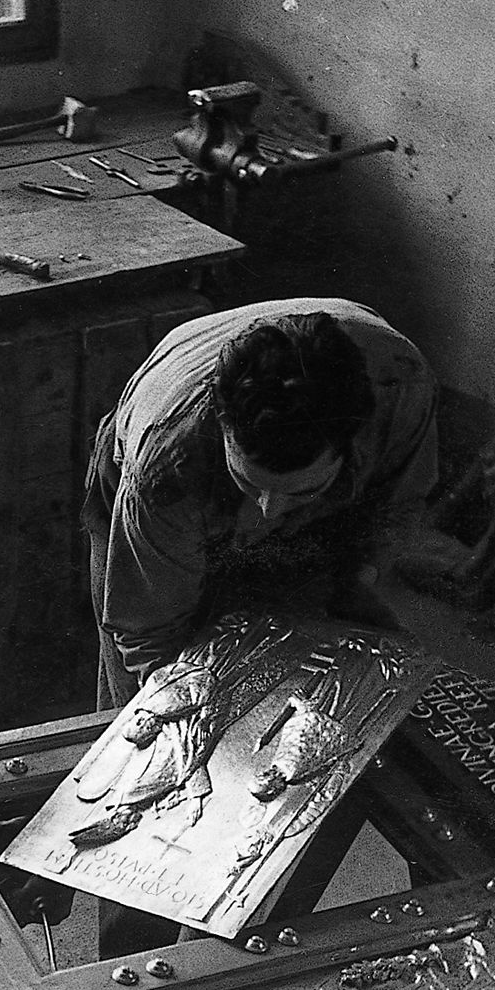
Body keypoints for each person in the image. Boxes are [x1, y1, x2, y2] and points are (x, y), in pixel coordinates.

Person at [83, 296, 439, 711]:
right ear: (221, 426)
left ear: (351, 446)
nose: (268, 512)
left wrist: (359, 595)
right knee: (141, 708)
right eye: (250, 485)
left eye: (299, 491)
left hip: (316, 520)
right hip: (174, 497)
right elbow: (150, 635)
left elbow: (396, 513)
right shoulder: (166, 470)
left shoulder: (402, 391)